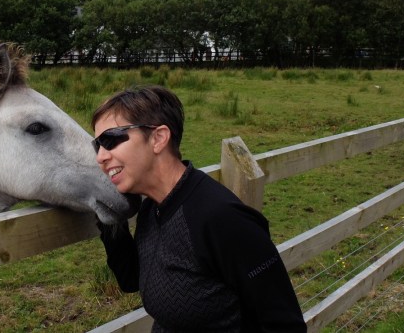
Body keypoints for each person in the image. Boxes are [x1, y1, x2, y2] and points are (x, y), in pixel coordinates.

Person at [92, 85, 306, 332]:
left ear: (158, 138)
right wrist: (107, 208)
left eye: (111, 139)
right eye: (97, 145)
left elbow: (284, 325)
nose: (100, 157)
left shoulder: (223, 219)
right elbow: (132, 279)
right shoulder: (153, 207)